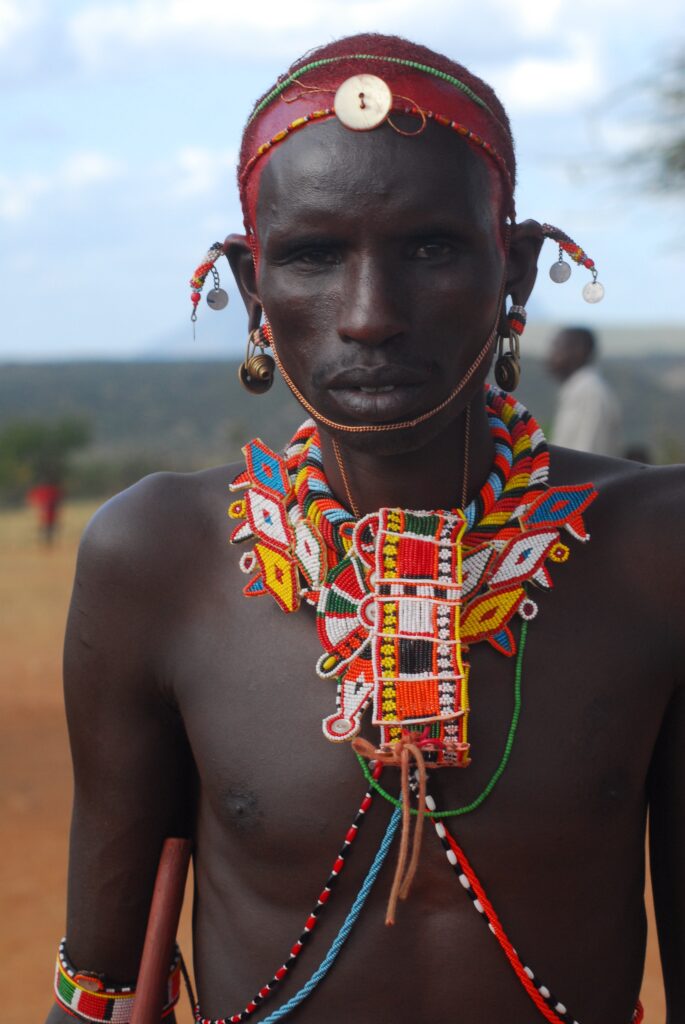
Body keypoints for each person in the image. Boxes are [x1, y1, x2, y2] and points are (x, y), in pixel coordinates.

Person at [47, 34, 684, 1024]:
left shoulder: (659, 552)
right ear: (253, 291)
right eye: (311, 256)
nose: (370, 314)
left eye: (430, 247)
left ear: (513, 272)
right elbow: (102, 986)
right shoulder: (158, 558)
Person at [547, 327, 623, 456]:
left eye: (557, 348)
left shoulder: (591, 393)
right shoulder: (578, 390)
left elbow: (587, 455)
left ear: (579, 351)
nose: (551, 356)